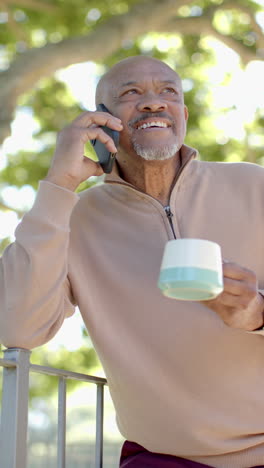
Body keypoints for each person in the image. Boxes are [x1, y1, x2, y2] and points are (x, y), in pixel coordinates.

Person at [1, 55, 264, 468]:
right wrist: (59, 183)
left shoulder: (255, 185)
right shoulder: (71, 219)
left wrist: (258, 314)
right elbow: (17, 327)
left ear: (183, 114)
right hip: (167, 458)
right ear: (100, 121)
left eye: (168, 92)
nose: (153, 103)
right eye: (131, 93)